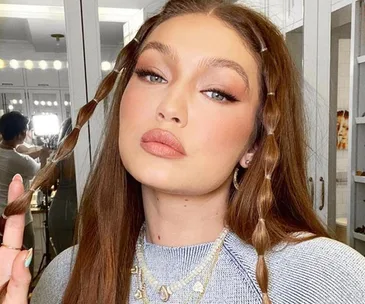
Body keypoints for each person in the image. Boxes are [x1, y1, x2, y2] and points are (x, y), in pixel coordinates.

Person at [0, 0, 365, 303]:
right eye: (153, 75)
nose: (170, 105)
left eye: (218, 92)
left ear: (255, 144)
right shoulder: (63, 278)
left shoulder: (326, 279)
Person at [0, 112, 50, 277]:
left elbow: (20, 154)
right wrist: (43, 157)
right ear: (21, 134)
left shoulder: (14, 157)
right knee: (24, 263)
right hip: (19, 219)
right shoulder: (21, 161)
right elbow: (42, 176)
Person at [47, 118, 78, 254]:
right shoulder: (91, 149)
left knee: (63, 260)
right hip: (82, 207)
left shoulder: (61, 152)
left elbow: (46, 185)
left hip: (61, 208)